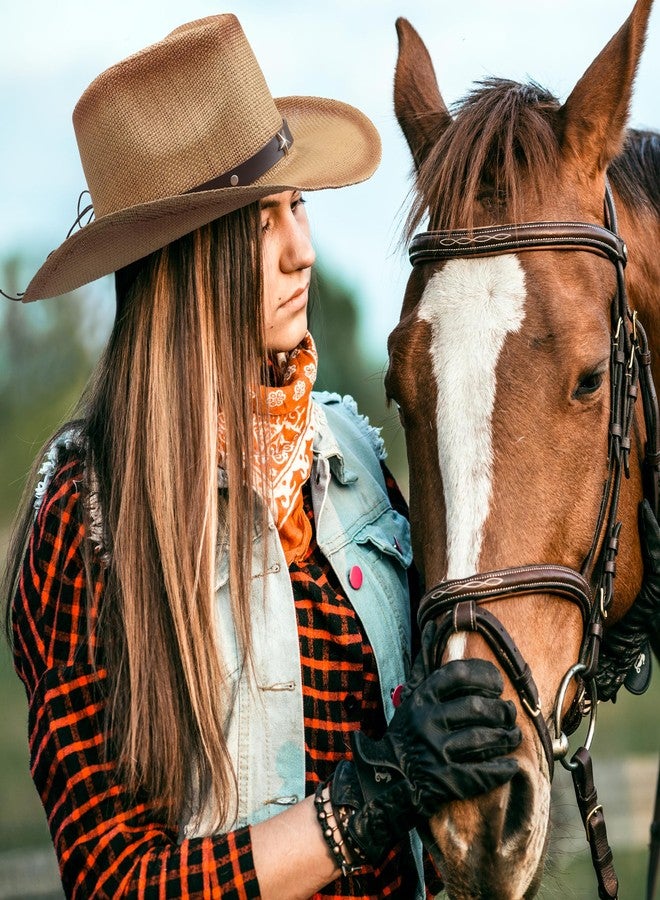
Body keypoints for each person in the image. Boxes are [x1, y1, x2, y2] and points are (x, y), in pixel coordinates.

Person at [2, 14, 521, 899]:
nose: (303, 251)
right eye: (260, 217)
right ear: (182, 256)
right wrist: (369, 798)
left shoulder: (351, 459)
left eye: (299, 204)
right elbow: (115, 882)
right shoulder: (89, 520)